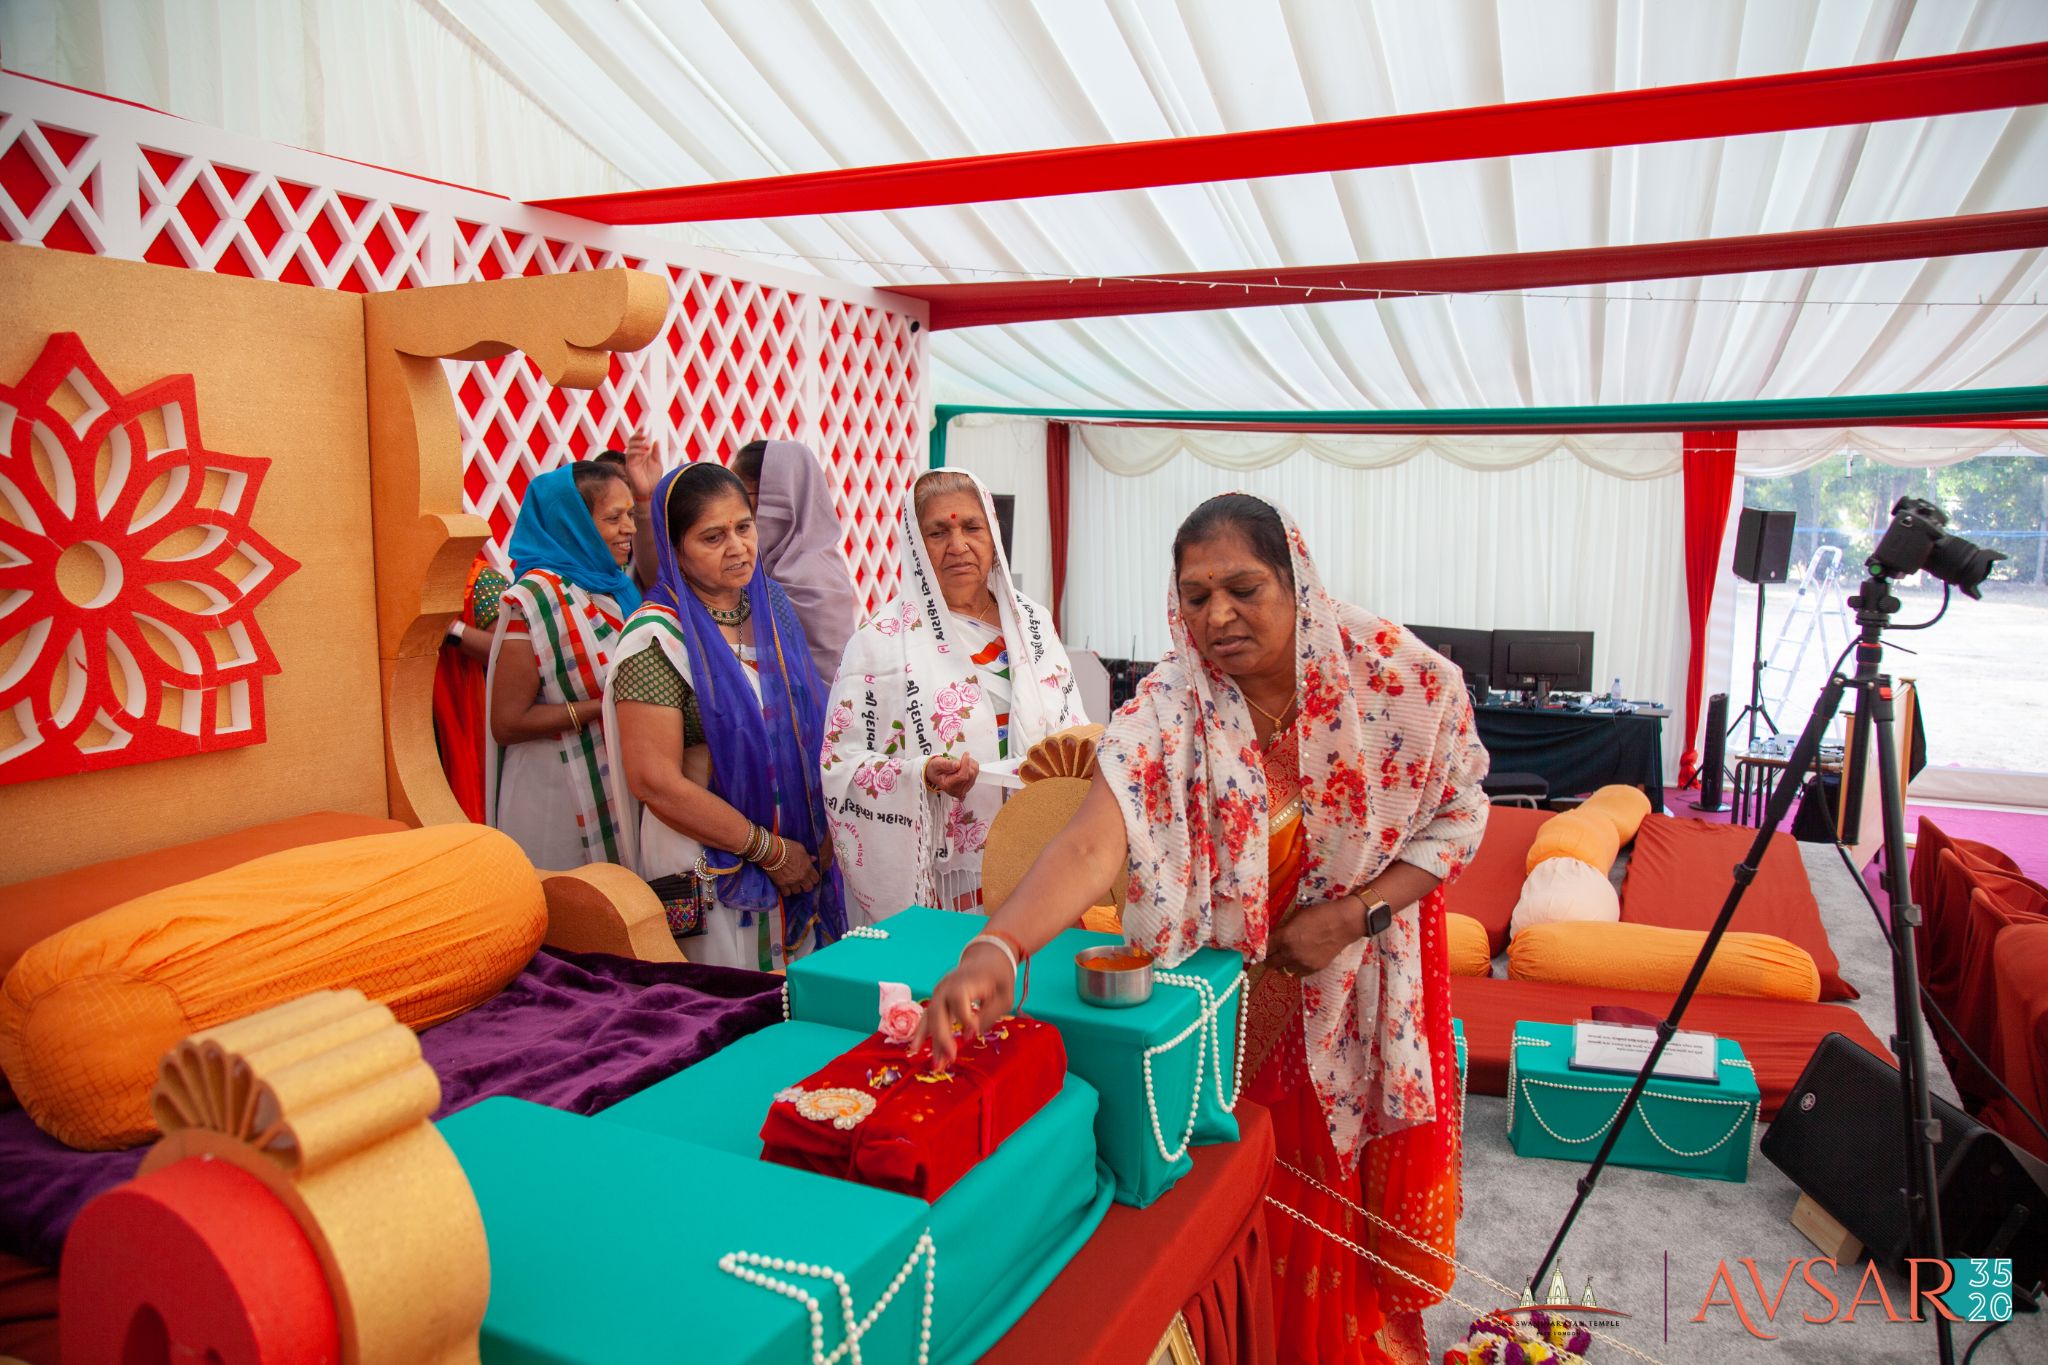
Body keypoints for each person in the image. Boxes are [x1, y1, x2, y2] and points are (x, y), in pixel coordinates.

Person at [912, 494, 1490, 1365]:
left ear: (1297, 582)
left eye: (1243, 589)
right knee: (1237, 1187)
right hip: (1237, 994)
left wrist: (1351, 914)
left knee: (1335, 1196)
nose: (1217, 616)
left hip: (1362, 977)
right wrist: (999, 946)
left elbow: (1460, 815)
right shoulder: (1173, 704)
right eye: (1194, 595)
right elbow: (1093, 837)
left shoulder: (1397, 680)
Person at [604, 462, 845, 970]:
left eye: (744, 526)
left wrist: (815, 834)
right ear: (675, 550)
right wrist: (769, 851)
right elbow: (655, 781)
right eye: (712, 537)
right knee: (726, 1005)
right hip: (706, 862)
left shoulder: (772, 607)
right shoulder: (656, 640)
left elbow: (805, 727)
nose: (737, 547)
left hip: (796, 851)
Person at [821, 468, 1089, 922]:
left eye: (971, 527)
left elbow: (1075, 732)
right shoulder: (881, 641)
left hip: (1038, 859)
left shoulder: (1033, 624)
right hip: (946, 880)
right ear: (913, 543)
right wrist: (920, 775)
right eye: (938, 532)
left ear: (993, 534)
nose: (958, 545)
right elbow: (841, 766)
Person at [486, 459, 647, 867]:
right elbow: (506, 722)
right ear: (570, 524)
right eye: (614, 518)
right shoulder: (535, 599)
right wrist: (605, 708)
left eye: (629, 514)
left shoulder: (616, 588)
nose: (629, 528)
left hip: (614, 782)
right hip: (555, 795)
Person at [732, 439, 860, 684]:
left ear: (775, 499)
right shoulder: (772, 564)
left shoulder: (812, 577)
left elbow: (830, 680)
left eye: (739, 494)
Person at [433, 553, 510, 822]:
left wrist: (449, 629)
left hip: (476, 718)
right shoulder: (393, 582)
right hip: (423, 712)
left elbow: (508, 652)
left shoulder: (479, 581)